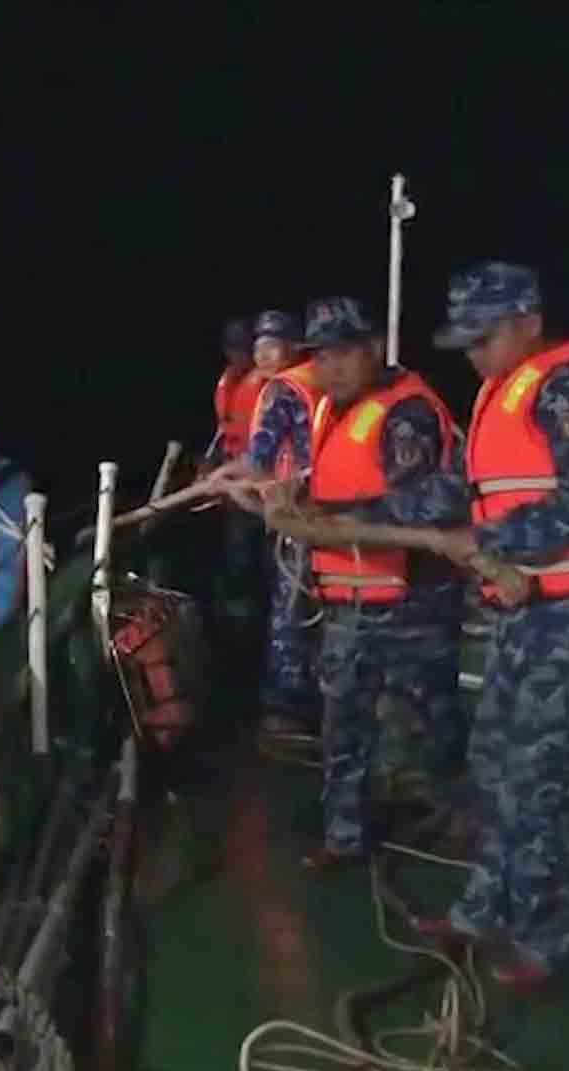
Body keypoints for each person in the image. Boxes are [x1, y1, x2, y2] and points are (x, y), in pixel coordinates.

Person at [412, 262, 569, 987]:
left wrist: (485, 545)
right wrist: (361, 508)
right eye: (465, 343)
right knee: (490, 768)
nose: (474, 355)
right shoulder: (499, 393)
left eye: (484, 338)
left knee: (535, 783)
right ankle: (481, 911)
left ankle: (543, 944)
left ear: (528, 321)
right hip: (526, 617)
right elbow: (467, 489)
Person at [262, 297, 469, 870]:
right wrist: (294, 500)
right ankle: (344, 835)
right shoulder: (333, 410)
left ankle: (458, 817)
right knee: (343, 725)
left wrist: (323, 517)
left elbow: (418, 506)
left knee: (434, 718)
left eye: (343, 354)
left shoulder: (407, 415)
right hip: (348, 605)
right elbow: (331, 488)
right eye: (320, 357)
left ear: (374, 348)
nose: (330, 368)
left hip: (413, 604)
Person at [211, 309, 326, 734]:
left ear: (293, 348)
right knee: (316, 605)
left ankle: (287, 708)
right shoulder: (321, 382)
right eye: (257, 346)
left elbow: (259, 458)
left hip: (293, 512)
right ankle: (316, 698)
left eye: (270, 346)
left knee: (289, 610)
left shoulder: (283, 391)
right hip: (325, 507)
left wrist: (229, 479)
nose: (261, 355)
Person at [201, 317, 269, 656]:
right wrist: (210, 466)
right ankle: (238, 632)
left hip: (264, 486)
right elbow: (224, 432)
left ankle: (258, 630)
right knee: (237, 557)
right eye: (234, 348)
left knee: (261, 559)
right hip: (234, 487)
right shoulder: (228, 383)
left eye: (245, 348)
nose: (240, 355)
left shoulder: (269, 386)